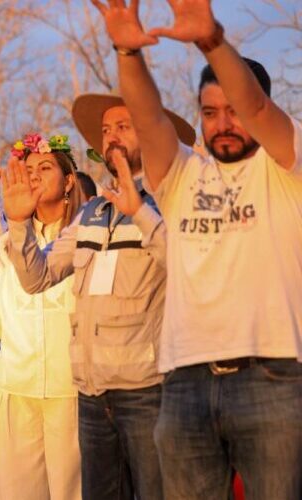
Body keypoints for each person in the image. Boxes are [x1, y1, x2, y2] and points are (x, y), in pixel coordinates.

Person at [91, 0, 302, 497]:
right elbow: (147, 119)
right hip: (183, 382)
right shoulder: (182, 174)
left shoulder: (285, 166)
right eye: (210, 113)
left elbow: (254, 107)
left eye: (233, 112)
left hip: (271, 375)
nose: (223, 123)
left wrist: (211, 40)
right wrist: (126, 51)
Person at [2, 90, 193, 499]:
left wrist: (140, 210)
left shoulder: (174, 200)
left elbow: (189, 268)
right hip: (90, 395)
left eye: (123, 127)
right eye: (106, 131)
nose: (111, 137)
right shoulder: (91, 213)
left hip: (148, 391)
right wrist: (18, 224)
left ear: (152, 134)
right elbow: (37, 278)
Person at [0, 134, 85, 500]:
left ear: (69, 180)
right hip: (16, 387)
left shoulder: (84, 234)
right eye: (27, 171)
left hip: (69, 387)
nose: (34, 177)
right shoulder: (5, 245)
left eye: (45, 168)